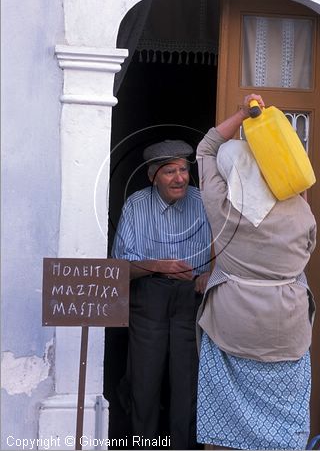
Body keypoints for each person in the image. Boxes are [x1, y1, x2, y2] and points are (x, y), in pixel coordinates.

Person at [195, 94, 317, 450]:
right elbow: (309, 249)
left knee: (224, 418)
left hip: (233, 326)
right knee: (286, 414)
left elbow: (206, 149)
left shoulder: (222, 208)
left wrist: (240, 115)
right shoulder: (299, 211)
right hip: (287, 328)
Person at [112, 139, 212, 450]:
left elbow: (228, 249)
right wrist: (156, 266)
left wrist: (211, 274)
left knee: (186, 383)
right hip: (148, 297)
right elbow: (119, 268)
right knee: (144, 382)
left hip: (191, 299)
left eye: (183, 169)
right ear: (152, 175)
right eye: (170, 171)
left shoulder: (204, 202)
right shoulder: (135, 205)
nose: (180, 178)